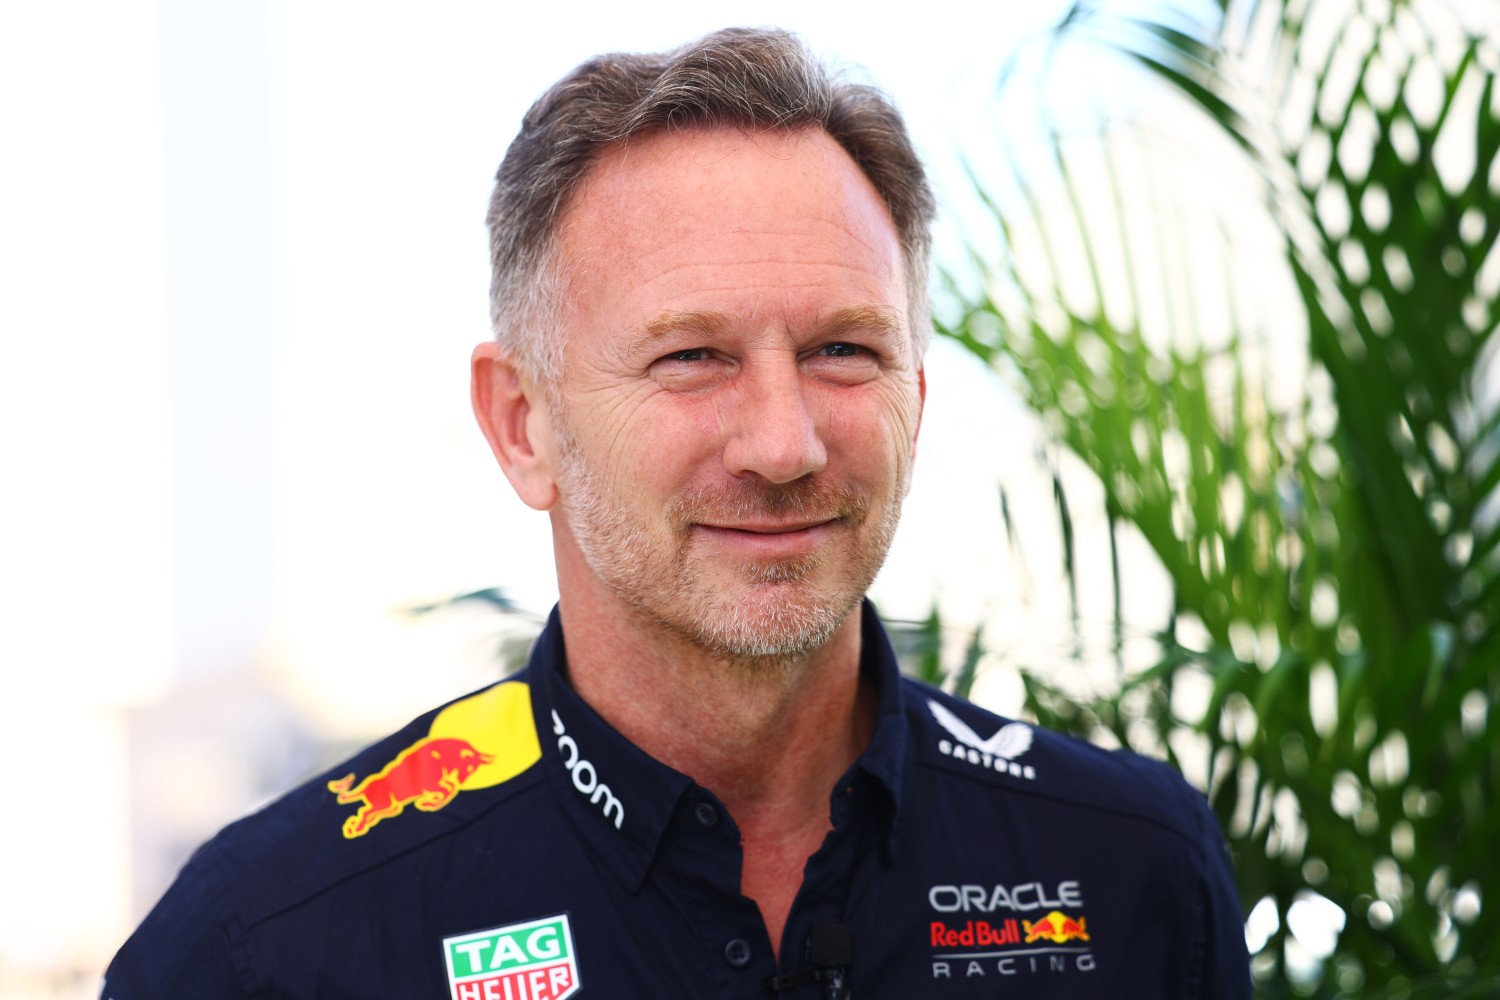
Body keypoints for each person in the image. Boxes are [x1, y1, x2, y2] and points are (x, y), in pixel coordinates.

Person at [104, 27, 1250, 998]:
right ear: (522, 424)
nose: (782, 443)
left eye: (844, 350)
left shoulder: (1127, 873)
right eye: (692, 356)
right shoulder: (275, 945)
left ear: (916, 394)